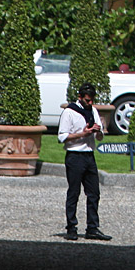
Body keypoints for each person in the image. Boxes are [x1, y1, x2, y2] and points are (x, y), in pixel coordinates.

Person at [58, 82, 111, 241]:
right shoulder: (69, 112)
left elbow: (100, 137)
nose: (90, 103)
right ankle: (71, 227)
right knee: (74, 192)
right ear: (80, 97)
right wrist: (83, 133)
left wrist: (98, 131)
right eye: (87, 100)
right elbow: (62, 137)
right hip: (74, 155)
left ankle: (92, 227)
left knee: (94, 193)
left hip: (89, 155)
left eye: (91, 100)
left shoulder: (93, 111)